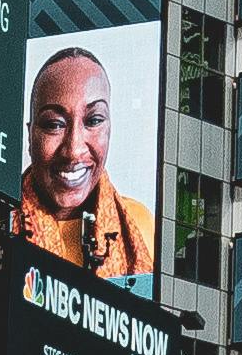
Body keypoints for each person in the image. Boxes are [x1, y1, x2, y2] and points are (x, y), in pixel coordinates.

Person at [18, 41, 155, 278]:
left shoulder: (138, 221)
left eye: (93, 121)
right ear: (30, 136)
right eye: (54, 125)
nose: (73, 150)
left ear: (110, 130)